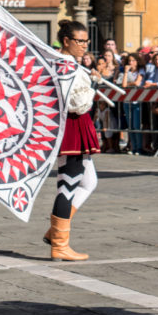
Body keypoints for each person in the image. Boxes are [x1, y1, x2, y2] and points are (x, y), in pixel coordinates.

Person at [43, 20, 99, 262]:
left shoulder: (70, 64)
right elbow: (78, 104)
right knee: (68, 185)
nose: (84, 46)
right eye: (79, 41)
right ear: (66, 41)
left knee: (89, 182)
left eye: (86, 41)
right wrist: (94, 85)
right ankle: (59, 244)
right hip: (73, 127)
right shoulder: (65, 65)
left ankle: (54, 233)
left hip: (77, 126)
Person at [121, 53, 146, 154]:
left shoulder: (141, 71)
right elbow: (123, 85)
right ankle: (133, 147)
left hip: (137, 101)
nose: (131, 63)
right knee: (130, 126)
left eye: (133, 60)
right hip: (127, 100)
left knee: (136, 125)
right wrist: (126, 72)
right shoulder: (126, 71)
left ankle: (139, 147)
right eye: (129, 61)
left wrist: (128, 84)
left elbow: (137, 83)